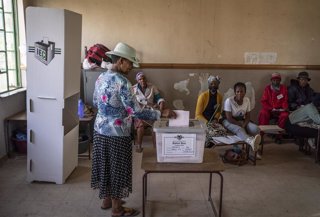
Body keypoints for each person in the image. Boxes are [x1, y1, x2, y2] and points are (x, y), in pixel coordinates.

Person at [91, 42, 176, 217]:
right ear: (121, 61)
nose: (131, 67)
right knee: (117, 167)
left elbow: (94, 102)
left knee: (105, 165)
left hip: (99, 130)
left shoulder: (101, 78)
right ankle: (117, 209)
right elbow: (135, 110)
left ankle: (106, 199)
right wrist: (160, 113)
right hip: (117, 134)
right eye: (130, 63)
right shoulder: (122, 82)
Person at [222, 82, 261, 152]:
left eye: (242, 91)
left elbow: (248, 116)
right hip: (228, 121)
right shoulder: (229, 101)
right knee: (240, 129)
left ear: (245, 92)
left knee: (256, 129)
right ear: (235, 92)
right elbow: (229, 118)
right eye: (237, 91)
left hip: (241, 120)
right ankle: (251, 141)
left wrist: (244, 124)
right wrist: (241, 125)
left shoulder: (247, 100)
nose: (240, 93)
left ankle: (253, 150)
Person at [132, 71, 165, 153]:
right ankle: (138, 145)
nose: (142, 80)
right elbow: (131, 102)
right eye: (140, 79)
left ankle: (156, 146)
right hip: (139, 112)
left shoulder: (152, 87)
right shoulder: (133, 88)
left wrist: (161, 107)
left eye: (143, 78)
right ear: (137, 81)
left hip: (151, 111)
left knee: (155, 125)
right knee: (140, 125)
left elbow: (159, 98)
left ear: (146, 79)